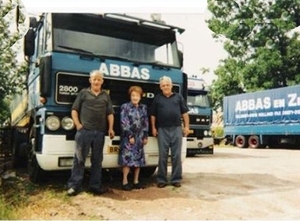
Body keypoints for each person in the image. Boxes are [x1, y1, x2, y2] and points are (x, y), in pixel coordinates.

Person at [67, 70, 115, 196]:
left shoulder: (105, 96)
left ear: (102, 81)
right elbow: (74, 110)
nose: (96, 81)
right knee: (79, 159)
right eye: (94, 79)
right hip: (84, 132)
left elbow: (110, 114)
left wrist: (110, 128)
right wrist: (78, 125)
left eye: (99, 79)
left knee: (97, 160)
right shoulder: (83, 93)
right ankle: (74, 186)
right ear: (90, 80)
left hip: (100, 132)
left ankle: (95, 186)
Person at [150, 76, 189, 188]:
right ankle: (161, 179)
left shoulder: (178, 97)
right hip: (162, 129)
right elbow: (153, 115)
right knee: (163, 155)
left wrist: (186, 127)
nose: (165, 87)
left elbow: (185, 113)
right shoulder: (157, 98)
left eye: (167, 85)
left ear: (171, 86)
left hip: (176, 128)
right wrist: (153, 128)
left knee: (176, 155)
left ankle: (176, 179)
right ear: (160, 87)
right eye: (163, 85)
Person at [118, 86, 149, 191]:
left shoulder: (143, 108)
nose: (135, 97)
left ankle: (136, 181)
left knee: (138, 160)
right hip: (129, 137)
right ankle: (125, 181)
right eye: (133, 95)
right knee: (127, 160)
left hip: (140, 137)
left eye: (137, 96)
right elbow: (124, 122)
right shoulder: (125, 107)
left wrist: (145, 136)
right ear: (130, 96)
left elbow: (145, 123)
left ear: (140, 97)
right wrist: (129, 135)